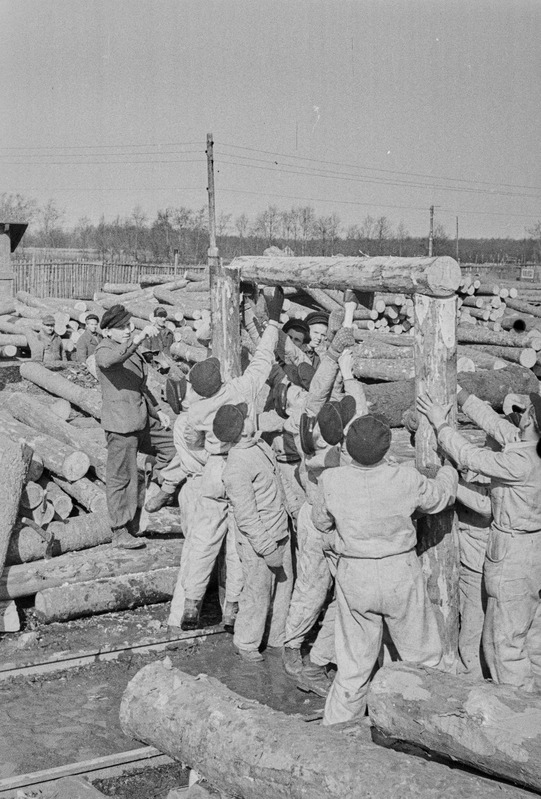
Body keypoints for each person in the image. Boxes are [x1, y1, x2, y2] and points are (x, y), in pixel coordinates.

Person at [313, 413, 457, 725]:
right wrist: (447, 470)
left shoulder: (332, 479)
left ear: (349, 448)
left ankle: (336, 732)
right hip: (398, 570)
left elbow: (321, 521)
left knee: (353, 663)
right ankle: (432, 726)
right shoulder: (405, 477)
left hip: (355, 572)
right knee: (422, 657)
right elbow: (440, 498)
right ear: (386, 448)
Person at [417, 388, 541, 692]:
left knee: (504, 644)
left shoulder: (521, 463)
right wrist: (463, 396)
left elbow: (470, 456)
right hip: (534, 551)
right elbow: (497, 426)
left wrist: (440, 425)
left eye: (526, 410)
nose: (522, 412)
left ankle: (514, 714)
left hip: (513, 553)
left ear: (531, 420)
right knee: (533, 637)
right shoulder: (531, 448)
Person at [179, 288, 285, 631]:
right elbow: (263, 359)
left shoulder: (195, 411)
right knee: (240, 544)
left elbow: (192, 440)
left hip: (213, 468)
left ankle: (192, 604)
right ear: (221, 378)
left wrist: (206, 454)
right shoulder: (241, 389)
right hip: (240, 463)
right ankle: (232, 610)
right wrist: (272, 323)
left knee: (203, 539)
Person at [94, 304, 177, 549]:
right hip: (121, 425)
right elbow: (111, 360)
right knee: (120, 477)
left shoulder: (131, 351)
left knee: (173, 446)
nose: (128, 331)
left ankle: (148, 476)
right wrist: (139, 339)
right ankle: (120, 529)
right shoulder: (104, 350)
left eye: (130, 326)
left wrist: (158, 411)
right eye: (121, 328)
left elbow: (141, 386)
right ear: (108, 331)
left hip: (142, 419)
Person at [219, 404, 293, 662]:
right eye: (247, 418)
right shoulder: (236, 466)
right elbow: (247, 518)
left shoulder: (259, 445)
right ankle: (247, 642)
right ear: (239, 431)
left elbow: (279, 485)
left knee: (283, 589)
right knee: (256, 593)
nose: (252, 418)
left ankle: (276, 639)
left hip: (280, 530)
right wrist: (267, 548)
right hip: (258, 543)